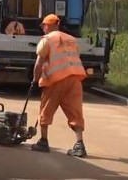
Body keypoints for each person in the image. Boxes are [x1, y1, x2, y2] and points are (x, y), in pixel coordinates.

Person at [30, 14, 88, 158]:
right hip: (74, 79)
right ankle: (79, 145)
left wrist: (35, 79)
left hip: (55, 80)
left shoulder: (46, 40)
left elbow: (39, 63)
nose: (42, 28)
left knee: (46, 109)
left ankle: (43, 142)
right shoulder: (71, 40)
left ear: (47, 25)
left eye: (43, 25)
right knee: (75, 112)